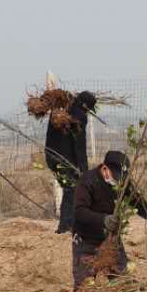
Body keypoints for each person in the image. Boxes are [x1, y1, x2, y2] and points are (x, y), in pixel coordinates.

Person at [71, 150, 147, 289]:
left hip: (110, 239)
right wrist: (104, 219)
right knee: (84, 287)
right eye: (116, 176)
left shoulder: (121, 183)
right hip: (86, 240)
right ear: (104, 168)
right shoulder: (87, 181)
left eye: (121, 178)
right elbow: (79, 212)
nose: (118, 181)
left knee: (122, 283)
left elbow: (139, 203)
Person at [45, 90, 98, 235]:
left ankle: (69, 224)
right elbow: (79, 145)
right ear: (85, 106)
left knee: (70, 189)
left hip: (51, 157)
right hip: (64, 159)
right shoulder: (80, 116)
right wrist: (84, 170)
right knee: (71, 190)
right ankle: (65, 226)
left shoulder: (60, 110)